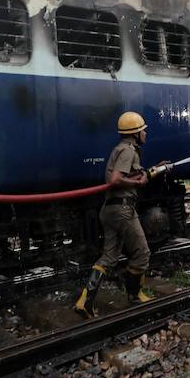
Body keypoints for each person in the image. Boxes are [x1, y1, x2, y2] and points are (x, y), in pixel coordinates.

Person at [75, 111, 155, 319]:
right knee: (142, 253)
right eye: (143, 130)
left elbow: (124, 175)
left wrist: (147, 173)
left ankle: (85, 301)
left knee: (109, 257)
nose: (145, 133)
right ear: (135, 133)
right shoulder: (129, 151)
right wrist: (138, 182)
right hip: (123, 210)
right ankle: (135, 295)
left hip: (109, 210)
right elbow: (115, 179)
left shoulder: (120, 149)